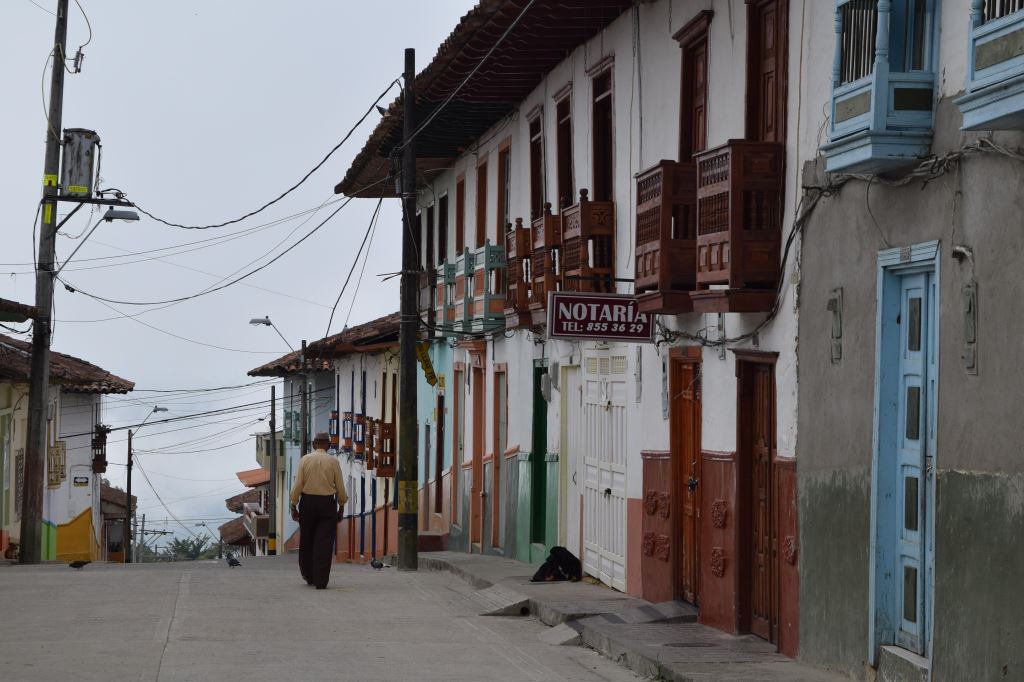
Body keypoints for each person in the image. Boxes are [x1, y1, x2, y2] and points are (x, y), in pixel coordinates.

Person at [290, 432, 348, 589]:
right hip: (327, 504)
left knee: (307, 540)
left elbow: (297, 485)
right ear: (328, 446)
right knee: (324, 543)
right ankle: (321, 580)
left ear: (314, 444)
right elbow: (340, 488)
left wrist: (293, 505)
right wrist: (341, 505)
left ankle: (309, 576)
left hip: (307, 502)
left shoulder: (305, 460)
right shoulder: (334, 462)